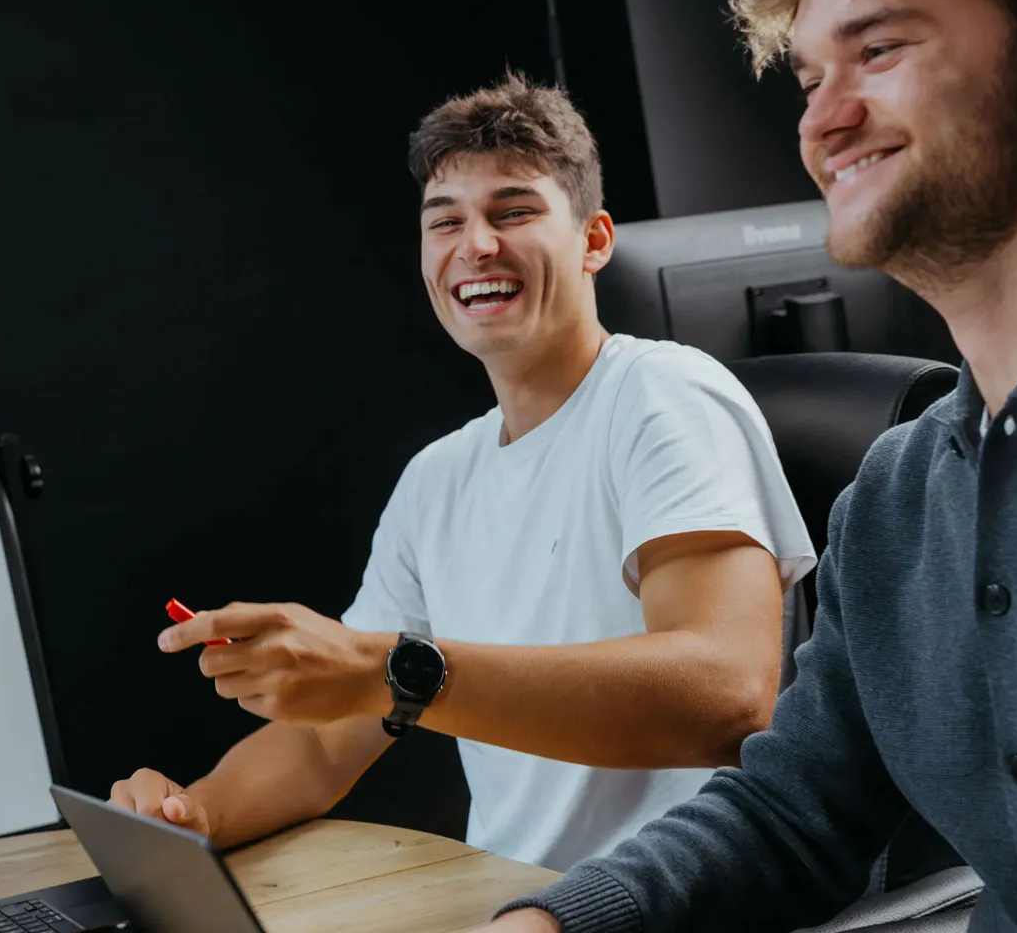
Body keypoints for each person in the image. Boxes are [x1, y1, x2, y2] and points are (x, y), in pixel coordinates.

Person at [480, 0, 1017, 930]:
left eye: (879, 53)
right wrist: (553, 923)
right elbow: (795, 810)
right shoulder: (903, 491)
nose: (824, 122)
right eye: (809, 77)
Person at [109, 74, 816, 872]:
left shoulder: (663, 396)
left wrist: (393, 671)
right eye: (444, 221)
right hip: (514, 905)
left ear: (594, 241)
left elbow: (725, 696)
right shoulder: (436, 479)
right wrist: (193, 815)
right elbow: (324, 745)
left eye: (513, 212)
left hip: (673, 897)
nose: (474, 245)